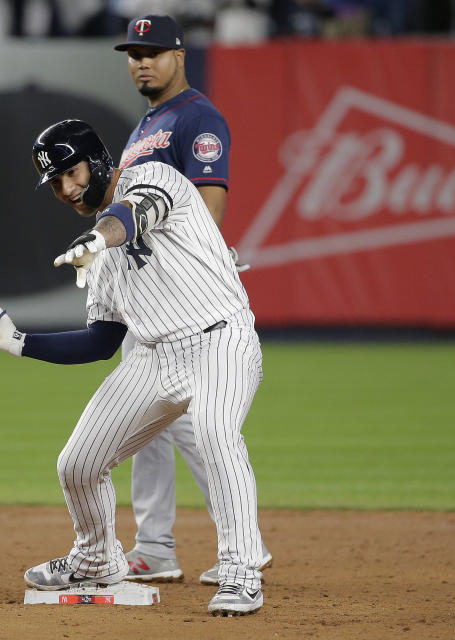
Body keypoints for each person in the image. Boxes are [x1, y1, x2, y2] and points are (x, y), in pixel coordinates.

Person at [0, 119, 266, 616]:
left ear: (98, 159)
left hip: (223, 340)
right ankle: (96, 561)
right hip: (154, 356)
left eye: (72, 172)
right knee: (78, 464)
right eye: (56, 183)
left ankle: (241, 573)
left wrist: (100, 239)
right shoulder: (99, 255)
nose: (66, 189)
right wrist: (20, 343)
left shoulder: (154, 177)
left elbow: (137, 213)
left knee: (216, 433)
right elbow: (101, 342)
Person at [112, 13, 271, 586]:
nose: (142, 61)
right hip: (147, 299)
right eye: (134, 53)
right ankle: (156, 547)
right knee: (154, 425)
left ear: (180, 55)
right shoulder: (146, 126)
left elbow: (209, 206)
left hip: (185, 300)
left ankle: (232, 545)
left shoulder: (197, 117)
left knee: (199, 424)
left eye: (153, 51)